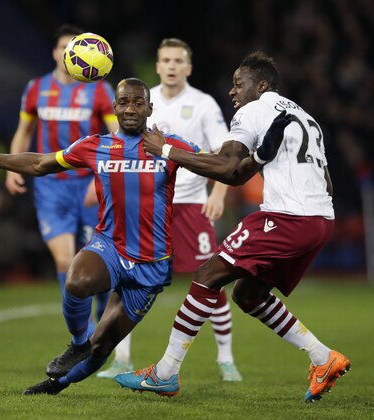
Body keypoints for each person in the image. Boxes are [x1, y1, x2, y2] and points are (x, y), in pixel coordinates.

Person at [115, 52, 351, 403]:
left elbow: (225, 167)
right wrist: (256, 162)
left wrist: (165, 150)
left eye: (239, 83)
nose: (232, 91)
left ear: (262, 86)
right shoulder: (305, 117)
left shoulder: (254, 110)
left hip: (287, 218)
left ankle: (165, 373)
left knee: (207, 274)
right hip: (320, 221)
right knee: (247, 295)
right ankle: (323, 357)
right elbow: (320, 184)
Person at [0, 78, 215, 396]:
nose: (130, 108)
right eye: (124, 102)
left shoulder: (169, 145)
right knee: (77, 279)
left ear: (150, 108)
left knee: (102, 348)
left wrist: (248, 159)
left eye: (137, 102)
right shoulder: (96, 145)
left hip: (152, 265)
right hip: (109, 246)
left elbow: (218, 165)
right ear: (115, 108)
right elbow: (40, 163)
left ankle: (58, 384)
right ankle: (77, 343)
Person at [96, 38, 241, 382]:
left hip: (191, 205)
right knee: (125, 280)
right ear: (158, 66)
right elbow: (113, 151)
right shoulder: (140, 99)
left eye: (178, 60)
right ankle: (120, 357)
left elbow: (223, 153)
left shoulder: (203, 104)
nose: (172, 65)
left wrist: (218, 193)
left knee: (213, 279)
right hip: (145, 207)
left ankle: (226, 357)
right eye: (166, 60)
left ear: (188, 67)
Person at [5, 24, 118, 325]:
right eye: (64, 48)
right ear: (56, 52)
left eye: (76, 47)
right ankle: (84, 331)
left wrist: (104, 179)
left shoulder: (100, 90)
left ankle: (102, 314)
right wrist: (12, 168)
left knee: (99, 263)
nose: (69, 53)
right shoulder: (36, 88)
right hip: (51, 185)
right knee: (65, 260)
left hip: (88, 185)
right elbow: (24, 131)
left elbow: (117, 137)